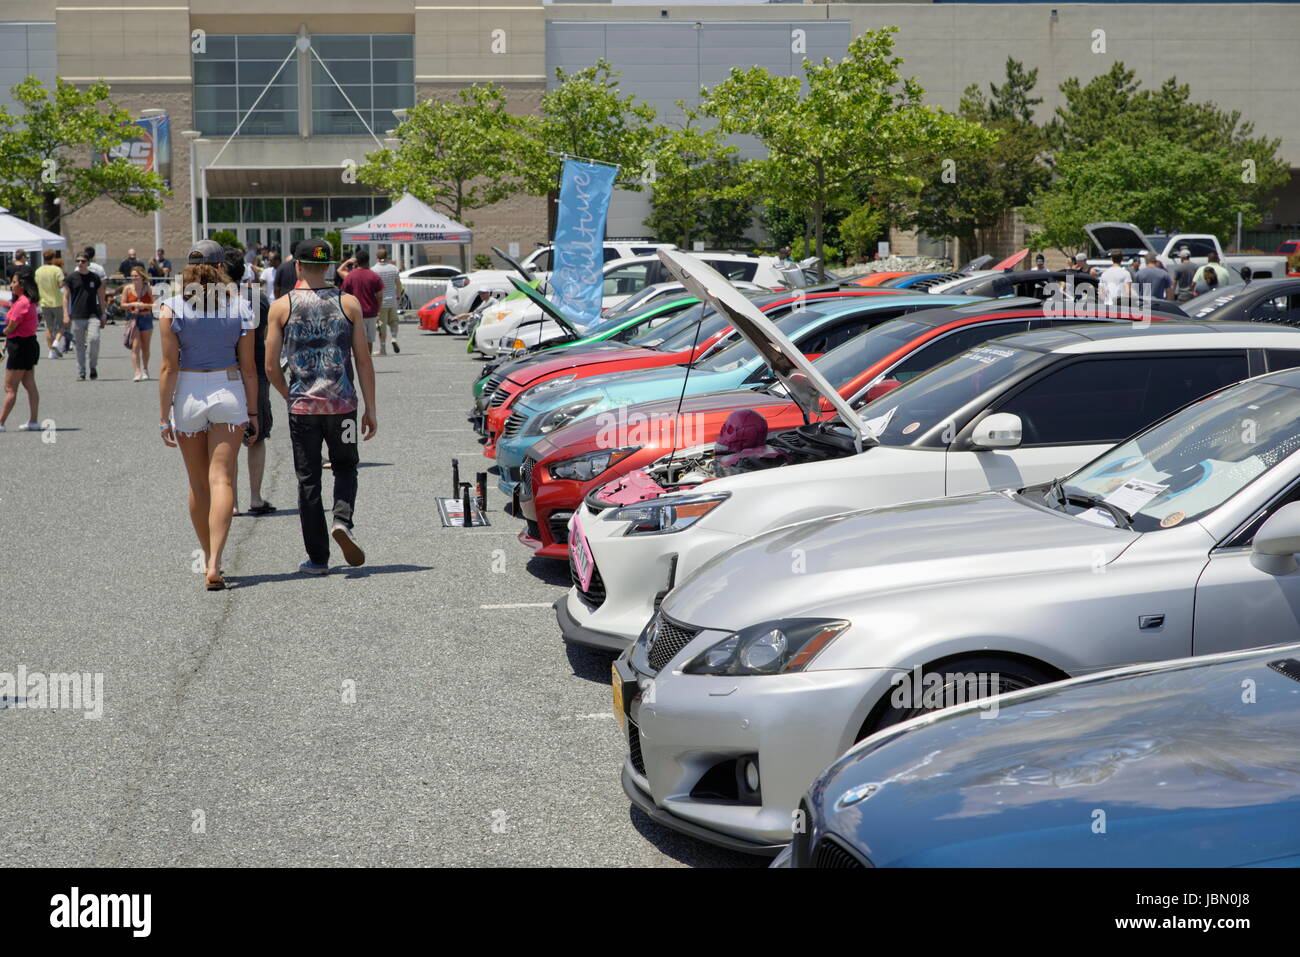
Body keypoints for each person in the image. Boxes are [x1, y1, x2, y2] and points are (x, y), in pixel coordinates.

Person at [264, 238, 377, 574]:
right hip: (342, 405)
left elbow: (270, 365)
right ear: (328, 266)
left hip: (303, 409)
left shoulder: (282, 307)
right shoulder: (349, 303)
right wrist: (370, 408)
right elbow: (363, 360)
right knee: (345, 467)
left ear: (298, 266)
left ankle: (318, 559)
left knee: (308, 479)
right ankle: (342, 520)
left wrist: (290, 396)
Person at [157, 240, 259, 590]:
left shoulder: (170, 308)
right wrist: (254, 411)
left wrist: (162, 415)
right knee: (223, 481)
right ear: (222, 268)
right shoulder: (241, 307)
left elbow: (168, 368)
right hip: (228, 388)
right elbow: (249, 369)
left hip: (188, 390)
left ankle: (206, 557)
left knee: (198, 483)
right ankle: (216, 560)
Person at [222, 244, 275, 517]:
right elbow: (265, 335)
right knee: (257, 435)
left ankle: (231, 502)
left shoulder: (210, 299)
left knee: (228, 438)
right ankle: (255, 497)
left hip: (223, 372)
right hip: (256, 369)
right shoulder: (258, 298)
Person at [1, 270, 41, 432]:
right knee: (29, 384)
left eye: (14, 282)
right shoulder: (27, 302)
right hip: (27, 345)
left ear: (22, 285)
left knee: (10, 388)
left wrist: (5, 332)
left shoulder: (22, 303)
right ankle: (33, 421)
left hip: (20, 346)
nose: (11, 285)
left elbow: (11, 327)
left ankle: (1, 422)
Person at [64, 252, 107, 381]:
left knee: (94, 339)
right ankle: (81, 371)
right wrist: (66, 314)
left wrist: (103, 313)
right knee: (79, 344)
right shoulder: (72, 278)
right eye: (78, 261)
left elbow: (101, 296)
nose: (80, 263)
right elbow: (65, 297)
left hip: (93, 314)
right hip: (77, 314)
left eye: (83, 261)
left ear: (88, 263)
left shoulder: (94, 277)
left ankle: (93, 366)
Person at [341, 249, 385, 356]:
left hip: (355, 313)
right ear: (368, 261)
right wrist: (378, 309)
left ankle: (359, 360)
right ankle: (368, 359)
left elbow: (343, 295)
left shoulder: (350, 276)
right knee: (369, 340)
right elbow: (380, 296)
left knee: (357, 340)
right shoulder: (374, 276)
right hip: (371, 313)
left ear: (356, 261)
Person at [121, 267, 156, 381]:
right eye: (133, 276)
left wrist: (144, 306)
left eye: (136, 275)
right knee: (135, 346)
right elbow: (122, 304)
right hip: (132, 319)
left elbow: (155, 304)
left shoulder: (149, 288)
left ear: (142, 277)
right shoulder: (127, 288)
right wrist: (133, 304)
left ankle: (145, 369)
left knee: (146, 347)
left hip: (146, 317)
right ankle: (137, 371)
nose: (134, 278)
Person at [35, 250, 66, 360]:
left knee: (49, 327)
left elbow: (36, 284)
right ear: (53, 258)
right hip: (57, 301)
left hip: (44, 302)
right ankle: (56, 342)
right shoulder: (57, 270)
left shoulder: (38, 271)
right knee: (62, 325)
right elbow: (61, 284)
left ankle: (51, 352)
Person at [372, 247, 403, 355]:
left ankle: (383, 348)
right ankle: (394, 337)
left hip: (380, 302)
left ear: (377, 258)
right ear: (387, 257)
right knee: (394, 321)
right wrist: (398, 297)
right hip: (392, 300)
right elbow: (398, 285)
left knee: (381, 325)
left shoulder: (374, 270)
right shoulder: (394, 268)